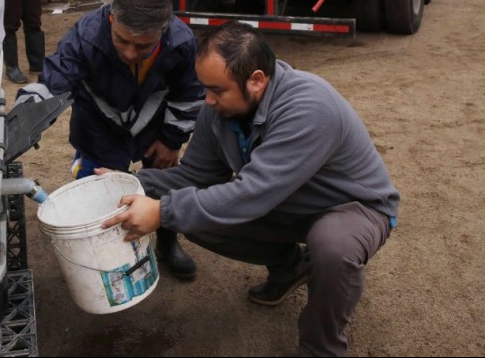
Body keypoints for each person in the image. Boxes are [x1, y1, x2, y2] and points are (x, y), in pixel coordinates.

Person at [101, 21, 400, 356]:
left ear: (257, 80)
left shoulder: (309, 105)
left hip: (352, 209)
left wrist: (162, 211)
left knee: (332, 247)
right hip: (285, 201)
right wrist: (130, 183)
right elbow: (195, 178)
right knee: (195, 216)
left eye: (217, 90)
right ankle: (290, 268)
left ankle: (321, 348)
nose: (208, 100)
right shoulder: (218, 112)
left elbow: (253, 192)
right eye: (204, 88)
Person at [19, 0, 206, 280]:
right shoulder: (85, 36)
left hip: (155, 129)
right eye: (122, 41)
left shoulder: (181, 42)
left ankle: (167, 242)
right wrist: (23, 119)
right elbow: (55, 79)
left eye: (143, 46)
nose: (130, 53)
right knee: (101, 192)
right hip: (98, 128)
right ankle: (107, 258)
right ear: (111, 20)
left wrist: (172, 141)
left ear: (163, 29)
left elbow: (189, 93)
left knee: (163, 185)